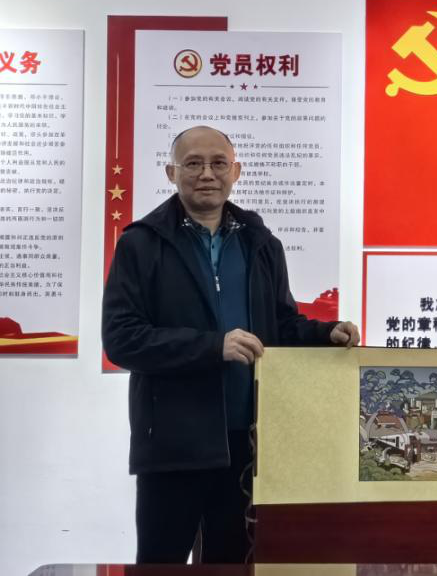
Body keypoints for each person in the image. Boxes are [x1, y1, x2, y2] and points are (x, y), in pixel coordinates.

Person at [102, 125, 360, 564]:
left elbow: (279, 325)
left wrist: (324, 334)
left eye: (218, 163)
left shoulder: (261, 244)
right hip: (172, 444)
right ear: (171, 173)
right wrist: (211, 347)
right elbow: (122, 339)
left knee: (233, 564)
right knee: (161, 565)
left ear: (236, 171)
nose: (207, 174)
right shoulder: (140, 245)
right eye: (193, 164)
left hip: (246, 444)